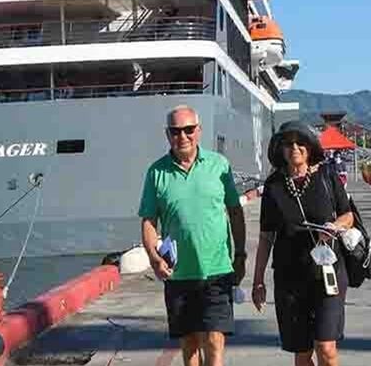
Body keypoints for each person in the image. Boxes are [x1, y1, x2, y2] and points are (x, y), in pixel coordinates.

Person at [139, 105, 247, 366]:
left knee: (214, 340)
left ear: (199, 131)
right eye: (176, 131)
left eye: (189, 130)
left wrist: (241, 255)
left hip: (217, 268)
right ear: (168, 135)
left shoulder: (219, 165)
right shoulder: (157, 172)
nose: (183, 136)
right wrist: (154, 258)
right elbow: (149, 221)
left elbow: (234, 211)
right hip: (178, 274)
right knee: (189, 345)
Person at [251, 121, 354, 366]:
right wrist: (257, 281)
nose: (294, 148)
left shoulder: (327, 175)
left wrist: (335, 227)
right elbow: (266, 237)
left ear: (310, 147)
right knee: (302, 353)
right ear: (280, 149)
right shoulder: (274, 186)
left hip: (328, 273)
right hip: (290, 278)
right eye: (288, 144)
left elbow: (347, 215)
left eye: (300, 143)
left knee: (326, 348)